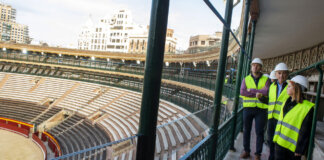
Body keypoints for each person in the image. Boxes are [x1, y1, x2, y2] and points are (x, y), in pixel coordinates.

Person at [273, 75, 314, 160]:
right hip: (279, 143)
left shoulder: (307, 108)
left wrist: (300, 149)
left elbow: (305, 130)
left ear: (297, 88)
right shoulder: (286, 102)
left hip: (293, 149)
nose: (287, 88)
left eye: (289, 86)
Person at [257, 63, 290, 160]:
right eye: (279, 73)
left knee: (279, 142)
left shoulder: (290, 86)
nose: (281, 76)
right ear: (275, 74)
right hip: (271, 118)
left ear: (287, 74)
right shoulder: (272, 87)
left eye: (284, 73)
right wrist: (261, 98)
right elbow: (270, 101)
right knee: (270, 140)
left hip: (282, 120)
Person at [240, 58, 271, 160]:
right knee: (246, 130)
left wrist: (251, 91)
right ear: (251, 66)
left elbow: (266, 92)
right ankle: (246, 151)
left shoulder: (266, 80)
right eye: (253, 65)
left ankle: (258, 154)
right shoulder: (246, 79)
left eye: (257, 65)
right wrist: (257, 92)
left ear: (261, 67)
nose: (255, 67)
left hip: (261, 110)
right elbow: (243, 92)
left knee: (259, 132)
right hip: (248, 108)